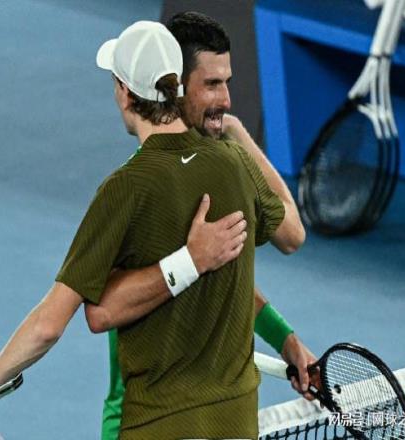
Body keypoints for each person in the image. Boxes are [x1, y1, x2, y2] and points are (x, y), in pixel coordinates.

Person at [0, 19, 249, 429]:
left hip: (159, 425)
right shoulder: (234, 162)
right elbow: (290, 233)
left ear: (125, 93)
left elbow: (49, 324)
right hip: (234, 423)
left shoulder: (126, 188)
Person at [83, 11, 315, 440]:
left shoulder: (221, 168)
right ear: (174, 84)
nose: (225, 99)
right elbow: (103, 310)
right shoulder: (143, 185)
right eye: (211, 84)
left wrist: (285, 339)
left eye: (227, 82)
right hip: (142, 420)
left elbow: (288, 237)